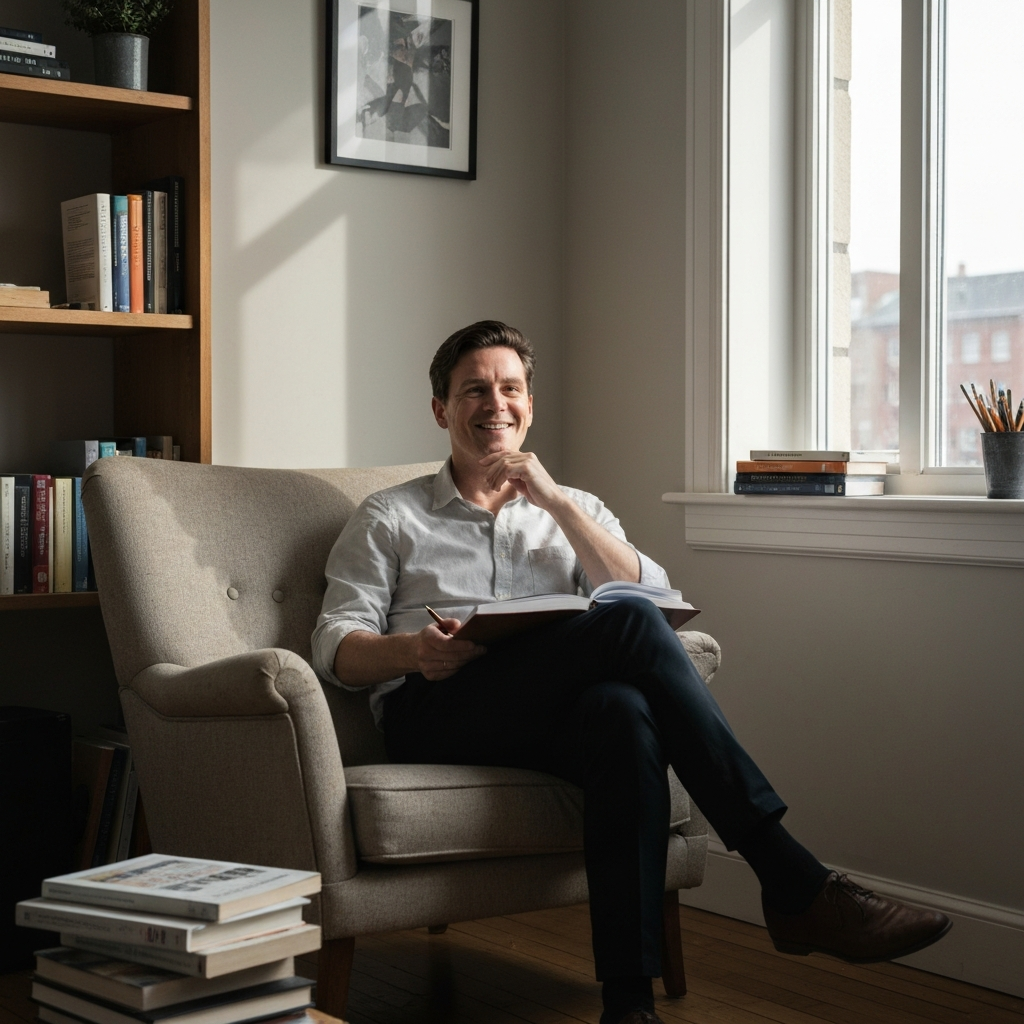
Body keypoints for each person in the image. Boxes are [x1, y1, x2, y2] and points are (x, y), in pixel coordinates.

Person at [312, 321, 951, 1024]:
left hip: (543, 718)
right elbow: (335, 643)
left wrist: (553, 502)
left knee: (623, 714)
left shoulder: (577, 506)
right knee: (626, 624)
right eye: (474, 390)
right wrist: (413, 652)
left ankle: (629, 1005)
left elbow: (652, 594)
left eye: (510, 388)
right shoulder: (390, 516)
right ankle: (791, 878)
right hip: (435, 713)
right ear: (442, 410)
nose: (495, 403)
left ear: (530, 403)